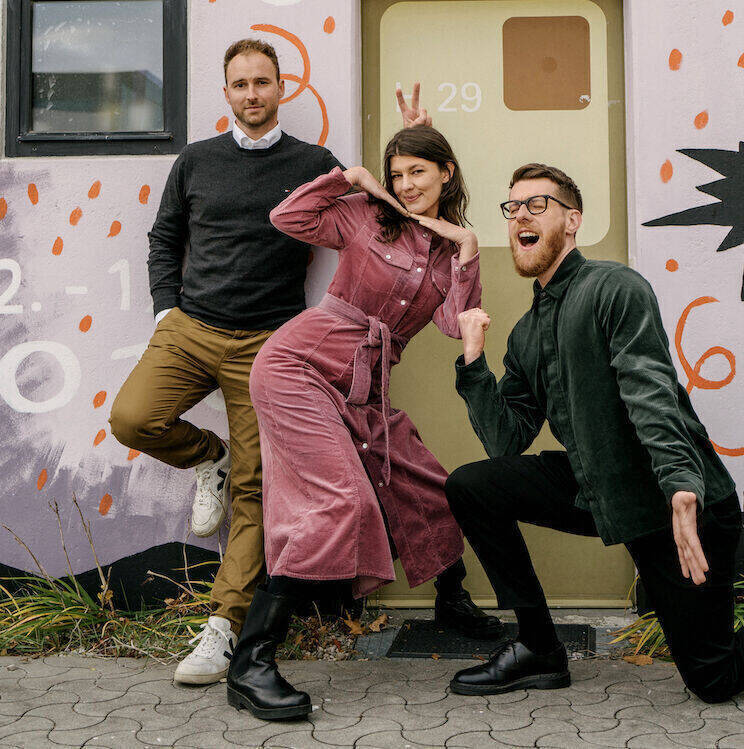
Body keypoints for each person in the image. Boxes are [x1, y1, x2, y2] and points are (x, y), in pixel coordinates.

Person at [444, 162, 744, 700]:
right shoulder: (525, 334)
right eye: (512, 207)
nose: (521, 215)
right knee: (473, 485)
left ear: (573, 221)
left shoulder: (614, 288)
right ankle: (538, 646)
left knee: (713, 677)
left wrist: (683, 486)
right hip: (602, 491)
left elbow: (649, 391)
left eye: (536, 204)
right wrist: (474, 363)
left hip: (675, 501)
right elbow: (506, 441)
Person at [225, 123, 504, 721]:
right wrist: (348, 179)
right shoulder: (365, 216)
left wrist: (470, 250)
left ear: (446, 173)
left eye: (418, 173)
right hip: (299, 366)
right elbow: (289, 218)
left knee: (429, 484)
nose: (405, 185)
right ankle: (251, 663)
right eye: (397, 174)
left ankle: (451, 601)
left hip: (365, 390)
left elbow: (456, 324)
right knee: (338, 502)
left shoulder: (452, 248)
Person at [109, 39, 344, 685]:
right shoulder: (198, 160)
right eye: (239, 83)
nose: (251, 93)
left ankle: (222, 628)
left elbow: (364, 229)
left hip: (269, 341)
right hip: (192, 326)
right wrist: (165, 311)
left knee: (256, 491)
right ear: (227, 91)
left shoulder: (316, 164)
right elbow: (165, 239)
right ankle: (208, 455)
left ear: (281, 88)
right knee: (133, 418)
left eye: (262, 82)